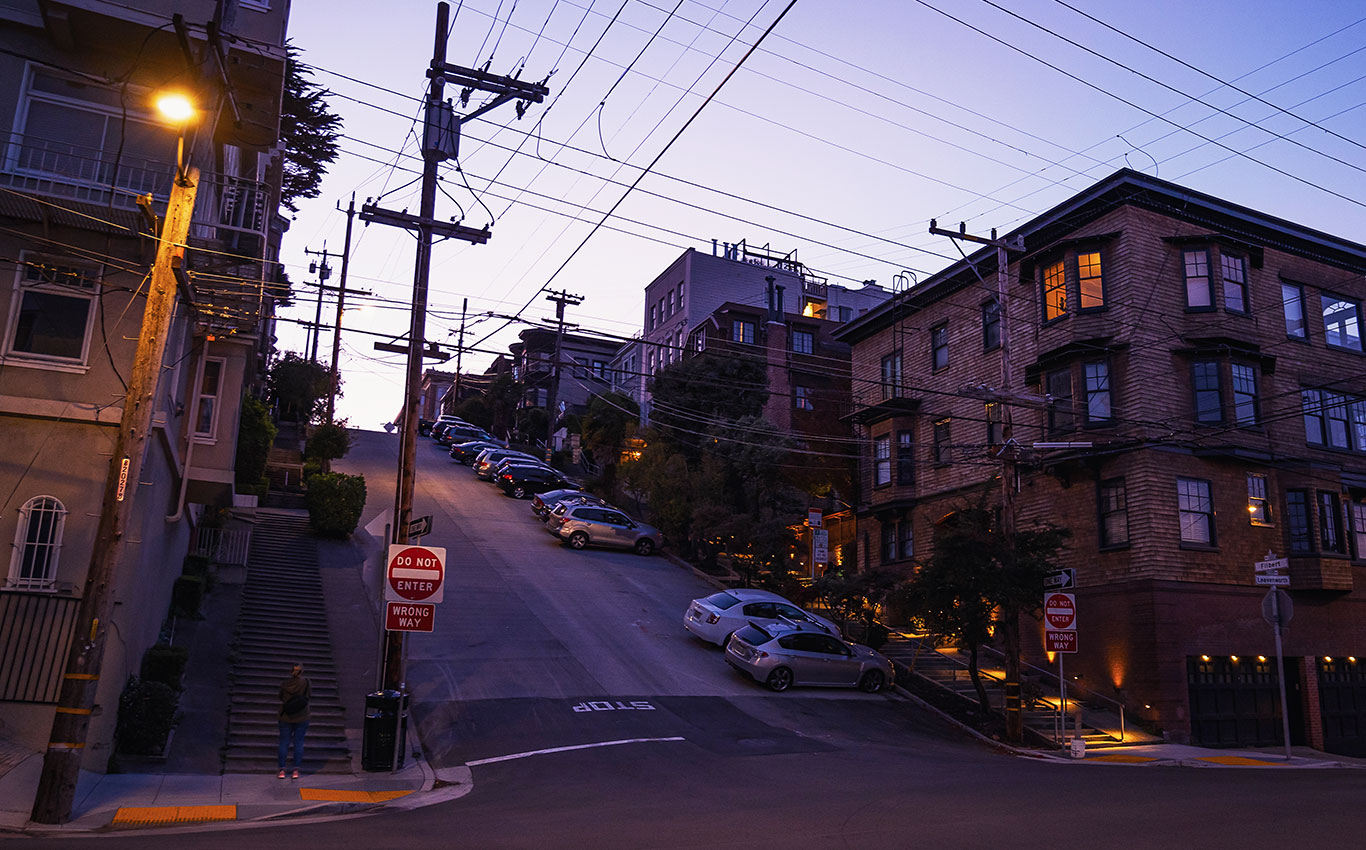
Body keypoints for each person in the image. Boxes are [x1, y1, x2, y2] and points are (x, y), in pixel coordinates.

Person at [278, 662, 311, 779]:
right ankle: (295, 771)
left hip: (286, 716)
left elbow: (280, 697)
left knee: (283, 742)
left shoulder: (284, 683)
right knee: (299, 743)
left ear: (291, 671)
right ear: (302, 672)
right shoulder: (306, 682)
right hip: (302, 716)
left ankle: (282, 770)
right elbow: (308, 696)